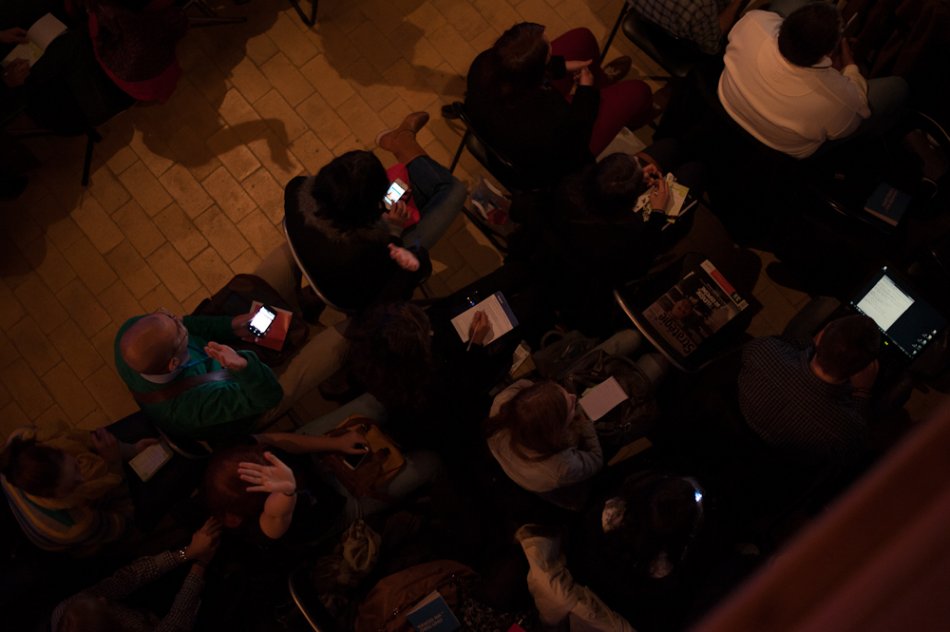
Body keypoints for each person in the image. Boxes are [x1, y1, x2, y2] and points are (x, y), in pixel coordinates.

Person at [509, 139, 704, 336]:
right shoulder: (625, 234)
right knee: (694, 170)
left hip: (548, 256)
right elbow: (640, 265)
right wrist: (658, 211)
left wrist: (634, 177)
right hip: (579, 286)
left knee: (673, 145)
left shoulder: (568, 186)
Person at [284, 111, 465, 311]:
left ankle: (402, 141)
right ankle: (402, 142)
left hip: (320, 261)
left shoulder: (295, 189)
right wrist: (394, 230)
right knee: (454, 190)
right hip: (358, 283)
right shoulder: (365, 253)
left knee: (418, 186)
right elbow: (404, 272)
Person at [465, 22, 654, 186]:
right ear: (537, 75)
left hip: (511, 130)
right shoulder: (547, 115)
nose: (551, 47)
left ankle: (601, 82)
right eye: (549, 53)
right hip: (557, 160)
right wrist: (585, 90)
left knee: (582, 38)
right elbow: (578, 134)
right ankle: (636, 119)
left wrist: (560, 66)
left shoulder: (484, 64)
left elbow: (520, 74)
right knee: (639, 91)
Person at [718, 1, 907, 158]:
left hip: (729, 104)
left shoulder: (753, 21)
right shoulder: (838, 101)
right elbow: (855, 115)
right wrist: (850, 67)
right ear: (828, 54)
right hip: (781, 149)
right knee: (897, 88)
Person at [114, 309, 284, 440]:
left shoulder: (129, 331)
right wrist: (243, 365)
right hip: (248, 397)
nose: (178, 320)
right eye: (179, 331)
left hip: (222, 361)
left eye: (169, 316)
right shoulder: (188, 408)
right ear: (174, 363)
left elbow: (189, 325)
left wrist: (232, 326)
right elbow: (270, 397)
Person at [737, 314, 881, 467]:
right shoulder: (844, 433)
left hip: (736, 433)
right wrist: (862, 392)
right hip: (778, 467)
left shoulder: (761, 351)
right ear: (861, 371)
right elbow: (857, 440)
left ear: (820, 336)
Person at [0, 424, 153, 554]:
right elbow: (126, 522)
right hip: (71, 544)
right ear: (53, 496)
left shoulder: (21, 439)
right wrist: (114, 464)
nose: (83, 479)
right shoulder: (76, 526)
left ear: (57, 448)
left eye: (76, 466)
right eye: (72, 486)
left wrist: (130, 449)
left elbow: (79, 438)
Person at [50, 518, 222, 632]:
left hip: (140, 606)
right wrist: (200, 564)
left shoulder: (67, 610)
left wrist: (188, 552)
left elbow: (129, 578)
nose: (102, 598)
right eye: (102, 606)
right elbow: (176, 623)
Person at [485, 380, 603, 510]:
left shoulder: (501, 402)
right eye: (570, 408)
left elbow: (524, 383)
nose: (574, 397)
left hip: (520, 470)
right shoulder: (561, 467)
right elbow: (596, 459)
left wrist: (545, 400)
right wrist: (585, 421)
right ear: (557, 431)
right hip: (551, 483)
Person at [631, 0, 748, 54]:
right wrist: (737, 3)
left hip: (645, 16)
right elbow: (712, 46)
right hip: (685, 45)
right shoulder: (701, 5)